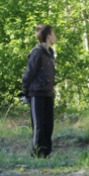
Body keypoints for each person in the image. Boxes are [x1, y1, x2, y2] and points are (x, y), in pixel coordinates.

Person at [21, 24, 57, 158]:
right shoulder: (36, 52)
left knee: (48, 125)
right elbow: (28, 73)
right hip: (37, 93)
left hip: (48, 92)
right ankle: (36, 154)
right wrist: (25, 91)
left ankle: (46, 154)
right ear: (48, 35)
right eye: (53, 33)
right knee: (39, 125)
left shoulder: (50, 52)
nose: (55, 36)